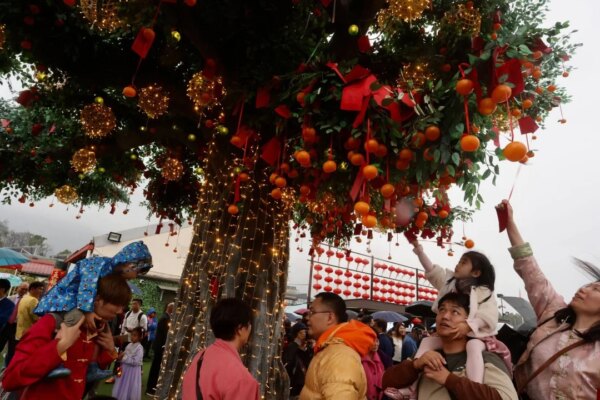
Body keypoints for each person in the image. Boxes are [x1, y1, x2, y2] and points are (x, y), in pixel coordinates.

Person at [499, 200, 600, 399]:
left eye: (595, 289)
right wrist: (510, 222)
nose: (584, 289)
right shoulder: (553, 315)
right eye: (586, 285)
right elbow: (530, 269)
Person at [34, 241, 152, 381]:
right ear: (130, 265)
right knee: (72, 322)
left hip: (81, 303)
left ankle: (92, 366)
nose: (136, 276)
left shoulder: (112, 273)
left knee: (102, 328)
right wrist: (88, 311)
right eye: (138, 272)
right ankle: (55, 363)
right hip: (66, 301)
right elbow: (86, 288)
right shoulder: (97, 264)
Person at [2, 274, 131, 400]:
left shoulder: (97, 329)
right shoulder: (52, 323)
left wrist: (109, 351)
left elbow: (85, 374)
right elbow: (10, 379)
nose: (120, 311)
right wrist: (59, 347)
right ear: (97, 299)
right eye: (117, 304)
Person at [382, 292, 518, 400]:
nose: (445, 316)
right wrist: (415, 365)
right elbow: (386, 382)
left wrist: (448, 379)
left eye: (455, 312)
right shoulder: (426, 354)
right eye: (441, 310)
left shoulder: (486, 358)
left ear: (470, 321)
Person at [408, 238, 502, 384]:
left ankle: (474, 386)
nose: (458, 264)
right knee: (427, 341)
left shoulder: (484, 291)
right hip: (453, 336)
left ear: (476, 273)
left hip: (477, 336)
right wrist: (418, 249)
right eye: (459, 261)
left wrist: (468, 325)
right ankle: (412, 385)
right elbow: (431, 270)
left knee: (473, 346)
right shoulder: (449, 282)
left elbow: (488, 315)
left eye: (464, 262)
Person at [299, 292, 376, 400]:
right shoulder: (331, 348)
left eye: (312, 312)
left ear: (330, 317)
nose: (307, 317)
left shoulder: (340, 356)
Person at [181, 298, 259, 399]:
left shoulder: (200, 356)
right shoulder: (243, 380)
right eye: (249, 324)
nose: (250, 329)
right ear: (240, 328)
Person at [145, 302, 173, 396]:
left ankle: (153, 387)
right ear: (170, 308)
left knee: (157, 368)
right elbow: (164, 335)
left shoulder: (166, 317)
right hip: (160, 347)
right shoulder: (165, 318)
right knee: (155, 368)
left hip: (160, 347)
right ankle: (150, 389)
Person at [112, 327, 144, 400]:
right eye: (132, 335)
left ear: (140, 337)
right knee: (122, 385)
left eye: (135, 335)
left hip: (132, 372)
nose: (132, 337)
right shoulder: (129, 345)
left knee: (129, 386)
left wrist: (123, 358)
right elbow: (124, 353)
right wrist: (119, 357)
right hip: (124, 369)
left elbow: (135, 362)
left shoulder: (139, 348)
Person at [283, 322, 313, 399]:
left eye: (305, 332)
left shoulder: (307, 347)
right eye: (301, 332)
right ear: (296, 334)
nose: (304, 334)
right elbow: (288, 364)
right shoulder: (291, 347)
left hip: (305, 382)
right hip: (295, 383)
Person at [0, 283, 27, 356]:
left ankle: (7, 365)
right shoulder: (10, 298)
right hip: (7, 325)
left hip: (17, 326)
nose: (23, 291)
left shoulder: (27, 301)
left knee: (12, 349)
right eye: (22, 288)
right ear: (18, 288)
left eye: (25, 289)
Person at [361, 332, 385, 400]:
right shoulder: (359, 360)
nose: (376, 344)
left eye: (377, 341)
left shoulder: (381, 359)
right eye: (372, 340)